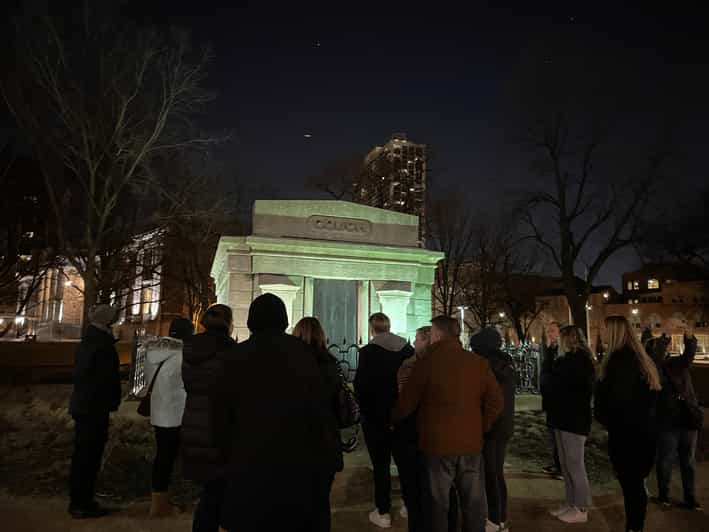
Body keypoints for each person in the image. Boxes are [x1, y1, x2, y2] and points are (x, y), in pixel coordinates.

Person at [211, 294, 337, 531]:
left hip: (247, 465)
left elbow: (219, 417)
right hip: (295, 466)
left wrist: (225, 457)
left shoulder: (234, 357)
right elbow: (318, 411)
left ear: (251, 321)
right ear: (284, 320)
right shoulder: (304, 355)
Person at [393, 316, 504, 532]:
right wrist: (481, 426)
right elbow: (496, 401)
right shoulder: (477, 363)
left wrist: (393, 420)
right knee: (473, 505)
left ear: (436, 334)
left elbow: (406, 403)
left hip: (436, 446)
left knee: (437, 506)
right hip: (470, 444)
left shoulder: (426, 364)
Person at [594, 316, 662, 532]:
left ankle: (634, 527)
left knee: (632, 488)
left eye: (605, 329)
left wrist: (602, 414)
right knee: (636, 486)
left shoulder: (619, 362)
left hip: (627, 437)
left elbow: (616, 403)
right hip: (644, 434)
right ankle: (636, 525)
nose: (602, 332)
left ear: (614, 332)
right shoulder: (639, 358)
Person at [354, 312, 418, 529]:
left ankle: (383, 511)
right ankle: (410, 506)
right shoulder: (407, 349)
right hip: (403, 417)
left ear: (372, 329)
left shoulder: (368, 352)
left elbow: (361, 387)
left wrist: (365, 412)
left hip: (376, 420)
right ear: (389, 327)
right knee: (406, 464)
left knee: (380, 466)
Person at [181, 304, 235, 532]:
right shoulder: (230, 351)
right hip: (219, 428)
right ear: (228, 324)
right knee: (217, 492)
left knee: (210, 490)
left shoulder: (190, 348)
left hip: (194, 424)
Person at [68, 304, 122, 519]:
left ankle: (81, 500)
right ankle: (81, 503)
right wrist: (111, 400)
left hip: (87, 406)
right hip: (93, 408)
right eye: (113, 318)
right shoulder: (101, 343)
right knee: (88, 456)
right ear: (106, 321)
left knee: (85, 455)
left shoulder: (92, 340)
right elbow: (103, 377)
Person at [292, 317, 344, 532]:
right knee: (321, 503)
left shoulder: (289, 363)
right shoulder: (331, 363)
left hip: (295, 443)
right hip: (325, 442)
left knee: (294, 503)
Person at [143, 317, 194, 517]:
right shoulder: (182, 355)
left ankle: (159, 501)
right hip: (177, 412)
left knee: (163, 457)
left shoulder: (153, 351)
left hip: (159, 411)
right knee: (169, 458)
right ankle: (161, 505)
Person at [646, 331, 702, 510]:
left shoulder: (657, 368)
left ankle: (665, 496)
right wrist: (688, 337)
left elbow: (687, 354)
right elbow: (689, 353)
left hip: (671, 421)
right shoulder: (676, 364)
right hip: (686, 418)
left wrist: (667, 338)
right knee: (687, 461)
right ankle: (690, 498)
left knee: (667, 460)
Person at [546, 326, 595, 524]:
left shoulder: (580, 361)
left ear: (570, 340)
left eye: (561, 338)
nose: (558, 341)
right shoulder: (567, 361)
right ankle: (571, 502)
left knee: (575, 465)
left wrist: (552, 355)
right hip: (562, 418)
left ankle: (581, 507)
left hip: (573, 420)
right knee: (566, 465)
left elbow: (554, 380)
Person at [469, 327, 516, 532]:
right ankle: (501, 517)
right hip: (504, 426)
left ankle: (495, 519)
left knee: (490, 474)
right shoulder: (506, 364)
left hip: (490, 427)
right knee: (496, 472)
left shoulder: (485, 366)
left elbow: (486, 399)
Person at [540, 321, 562, 479]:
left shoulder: (560, 351)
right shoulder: (550, 349)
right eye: (549, 331)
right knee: (553, 435)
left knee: (559, 436)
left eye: (553, 331)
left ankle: (561, 467)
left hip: (557, 401)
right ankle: (556, 463)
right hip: (550, 400)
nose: (550, 333)